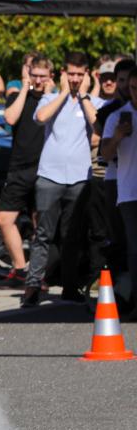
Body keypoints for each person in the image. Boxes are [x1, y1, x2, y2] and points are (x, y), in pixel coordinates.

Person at [21, 52, 97, 308]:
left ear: (86, 75)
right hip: (50, 176)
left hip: (79, 177)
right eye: (71, 73)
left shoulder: (92, 101)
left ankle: (69, 286)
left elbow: (96, 125)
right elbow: (41, 118)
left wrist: (84, 95)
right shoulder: (51, 97)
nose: (75, 79)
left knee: (72, 236)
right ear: (64, 74)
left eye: (79, 74)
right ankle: (32, 287)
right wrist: (64, 93)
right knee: (43, 234)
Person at [0, 55, 54, 288]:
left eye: (43, 76)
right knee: (3, 218)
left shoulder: (54, 99)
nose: (38, 80)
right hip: (19, 168)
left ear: (51, 76)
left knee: (41, 224)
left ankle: (40, 275)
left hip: (44, 168)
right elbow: (10, 117)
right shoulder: (20, 95)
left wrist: (50, 93)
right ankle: (21, 268)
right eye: (35, 75)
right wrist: (24, 88)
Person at [95, 58, 137, 283]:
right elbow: (106, 154)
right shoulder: (116, 116)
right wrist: (119, 136)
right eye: (132, 88)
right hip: (129, 192)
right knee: (132, 246)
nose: (135, 93)